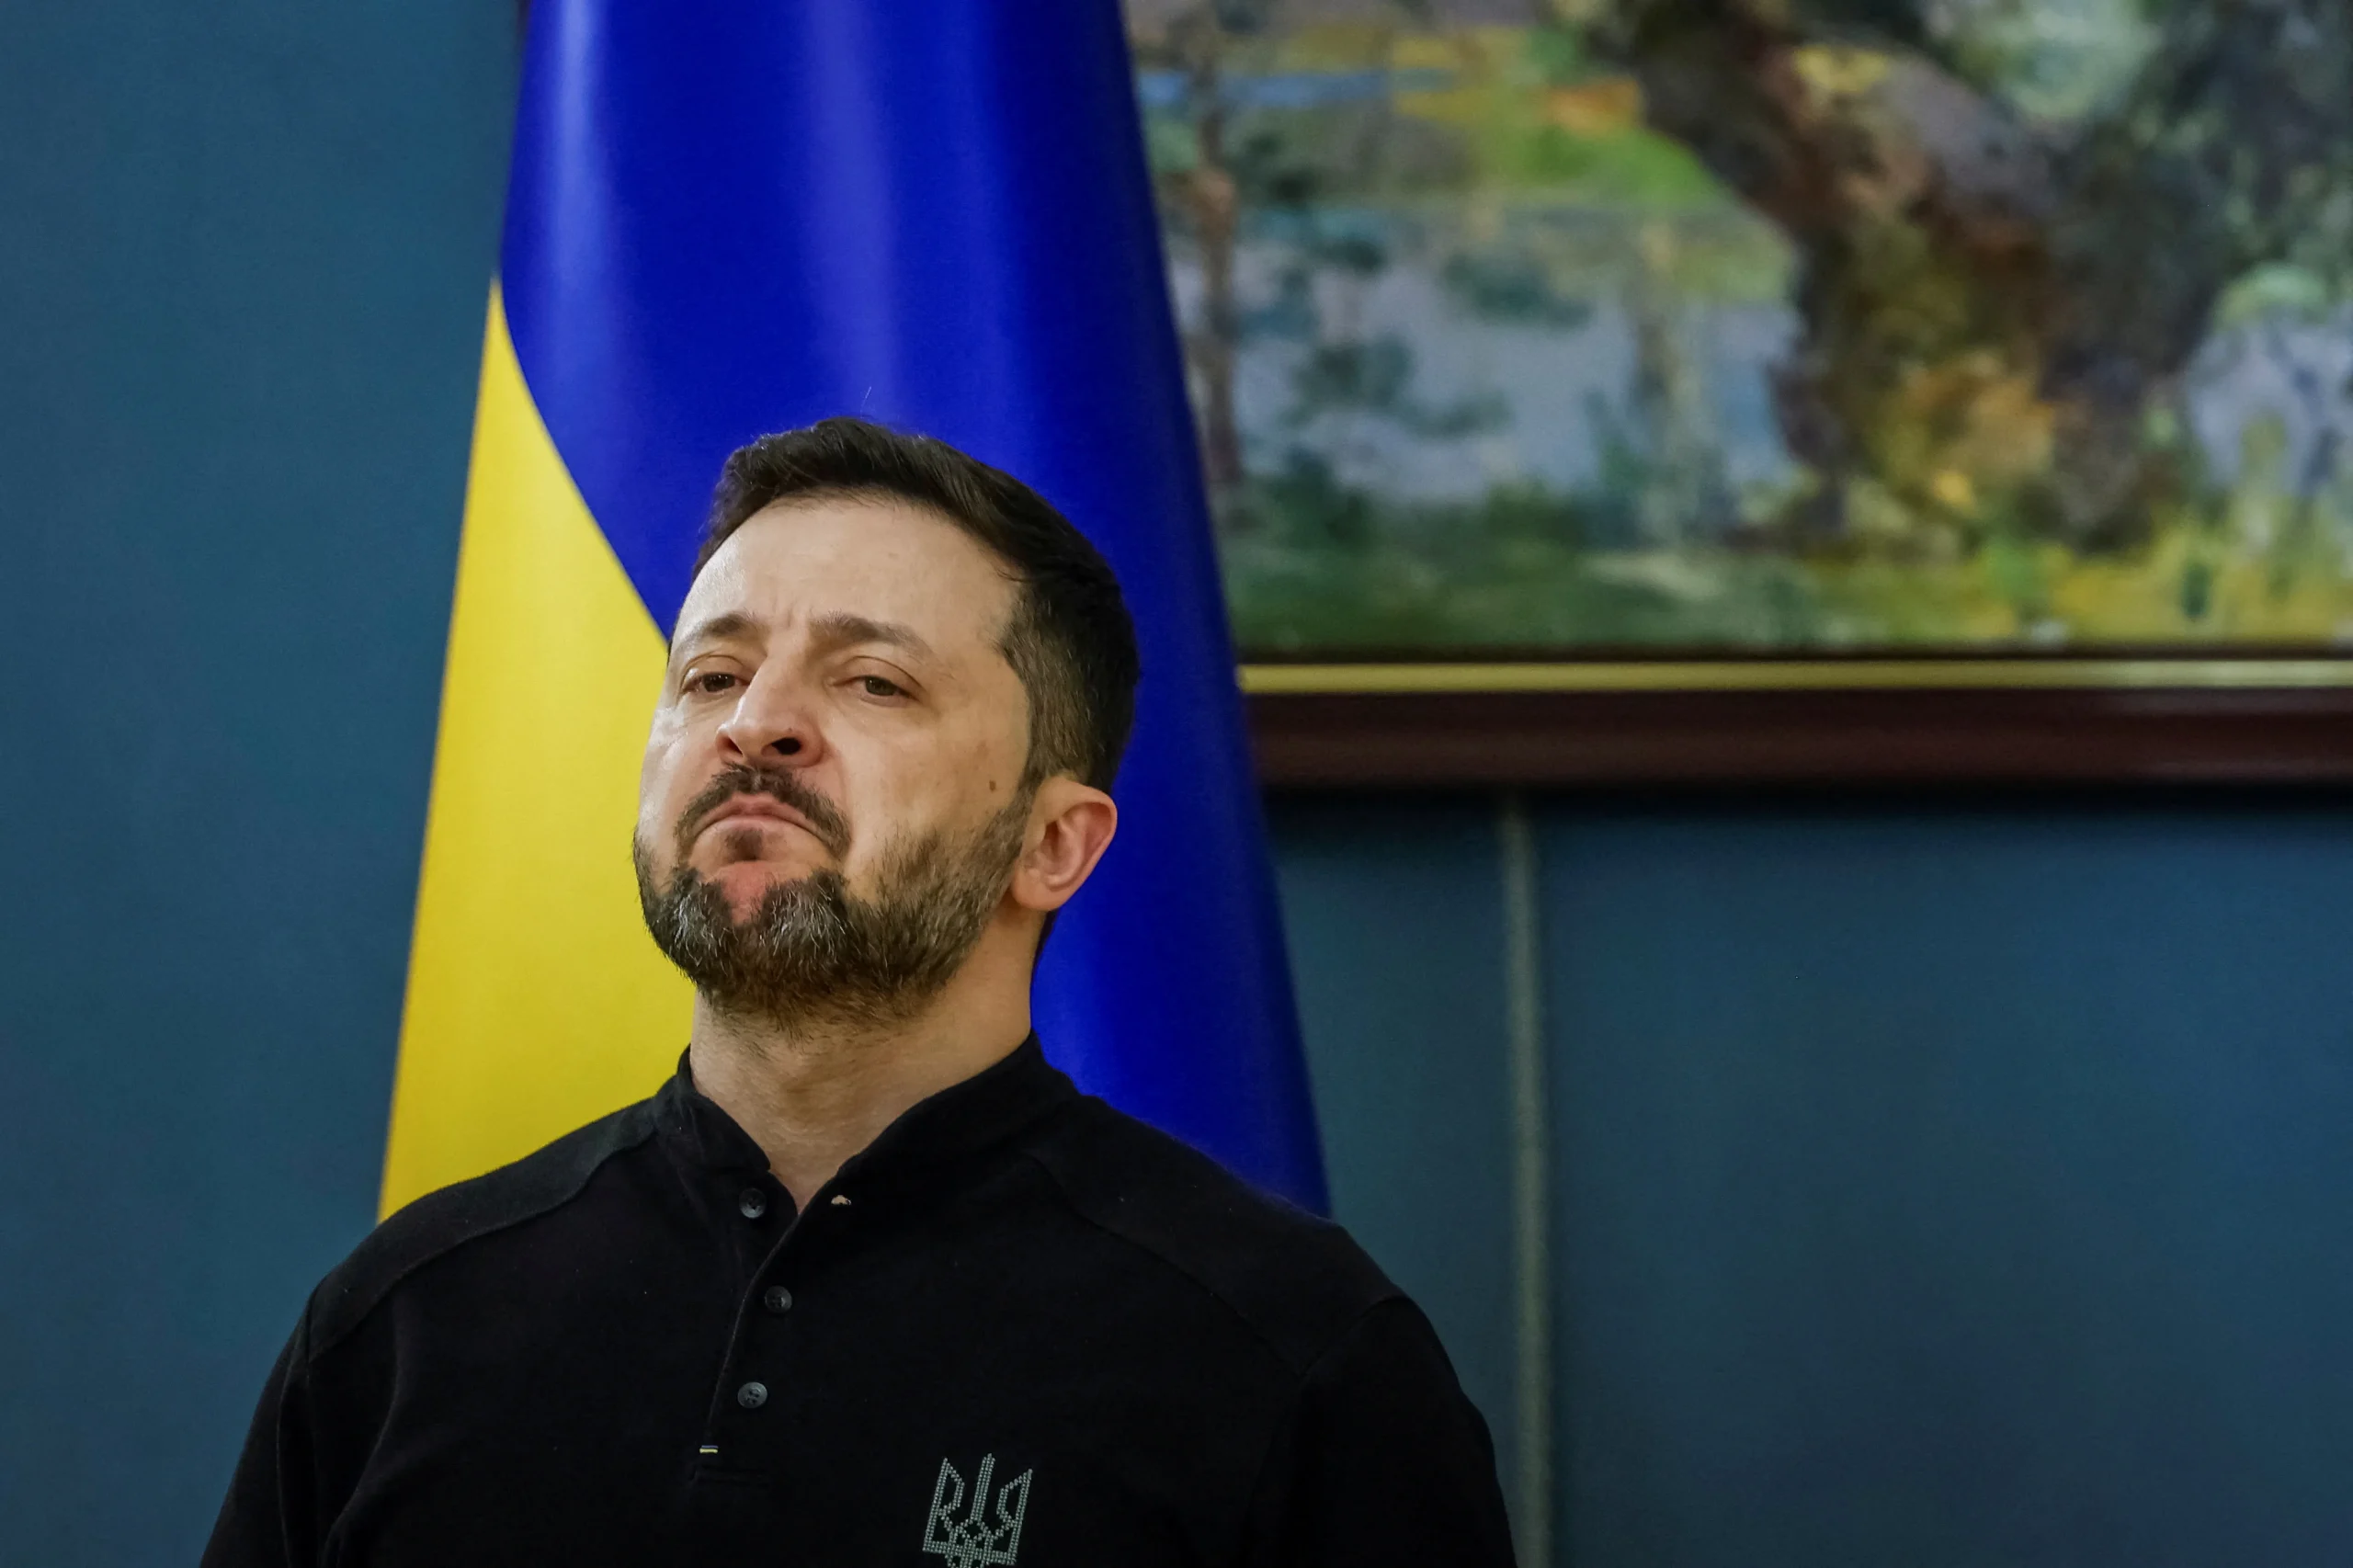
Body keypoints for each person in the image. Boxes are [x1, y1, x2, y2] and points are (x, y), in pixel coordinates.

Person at [203, 418, 1516, 1566]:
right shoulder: (404, 1326)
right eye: (712, 675)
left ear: (1053, 844)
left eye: (873, 681)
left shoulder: (1295, 1358)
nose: (755, 724)